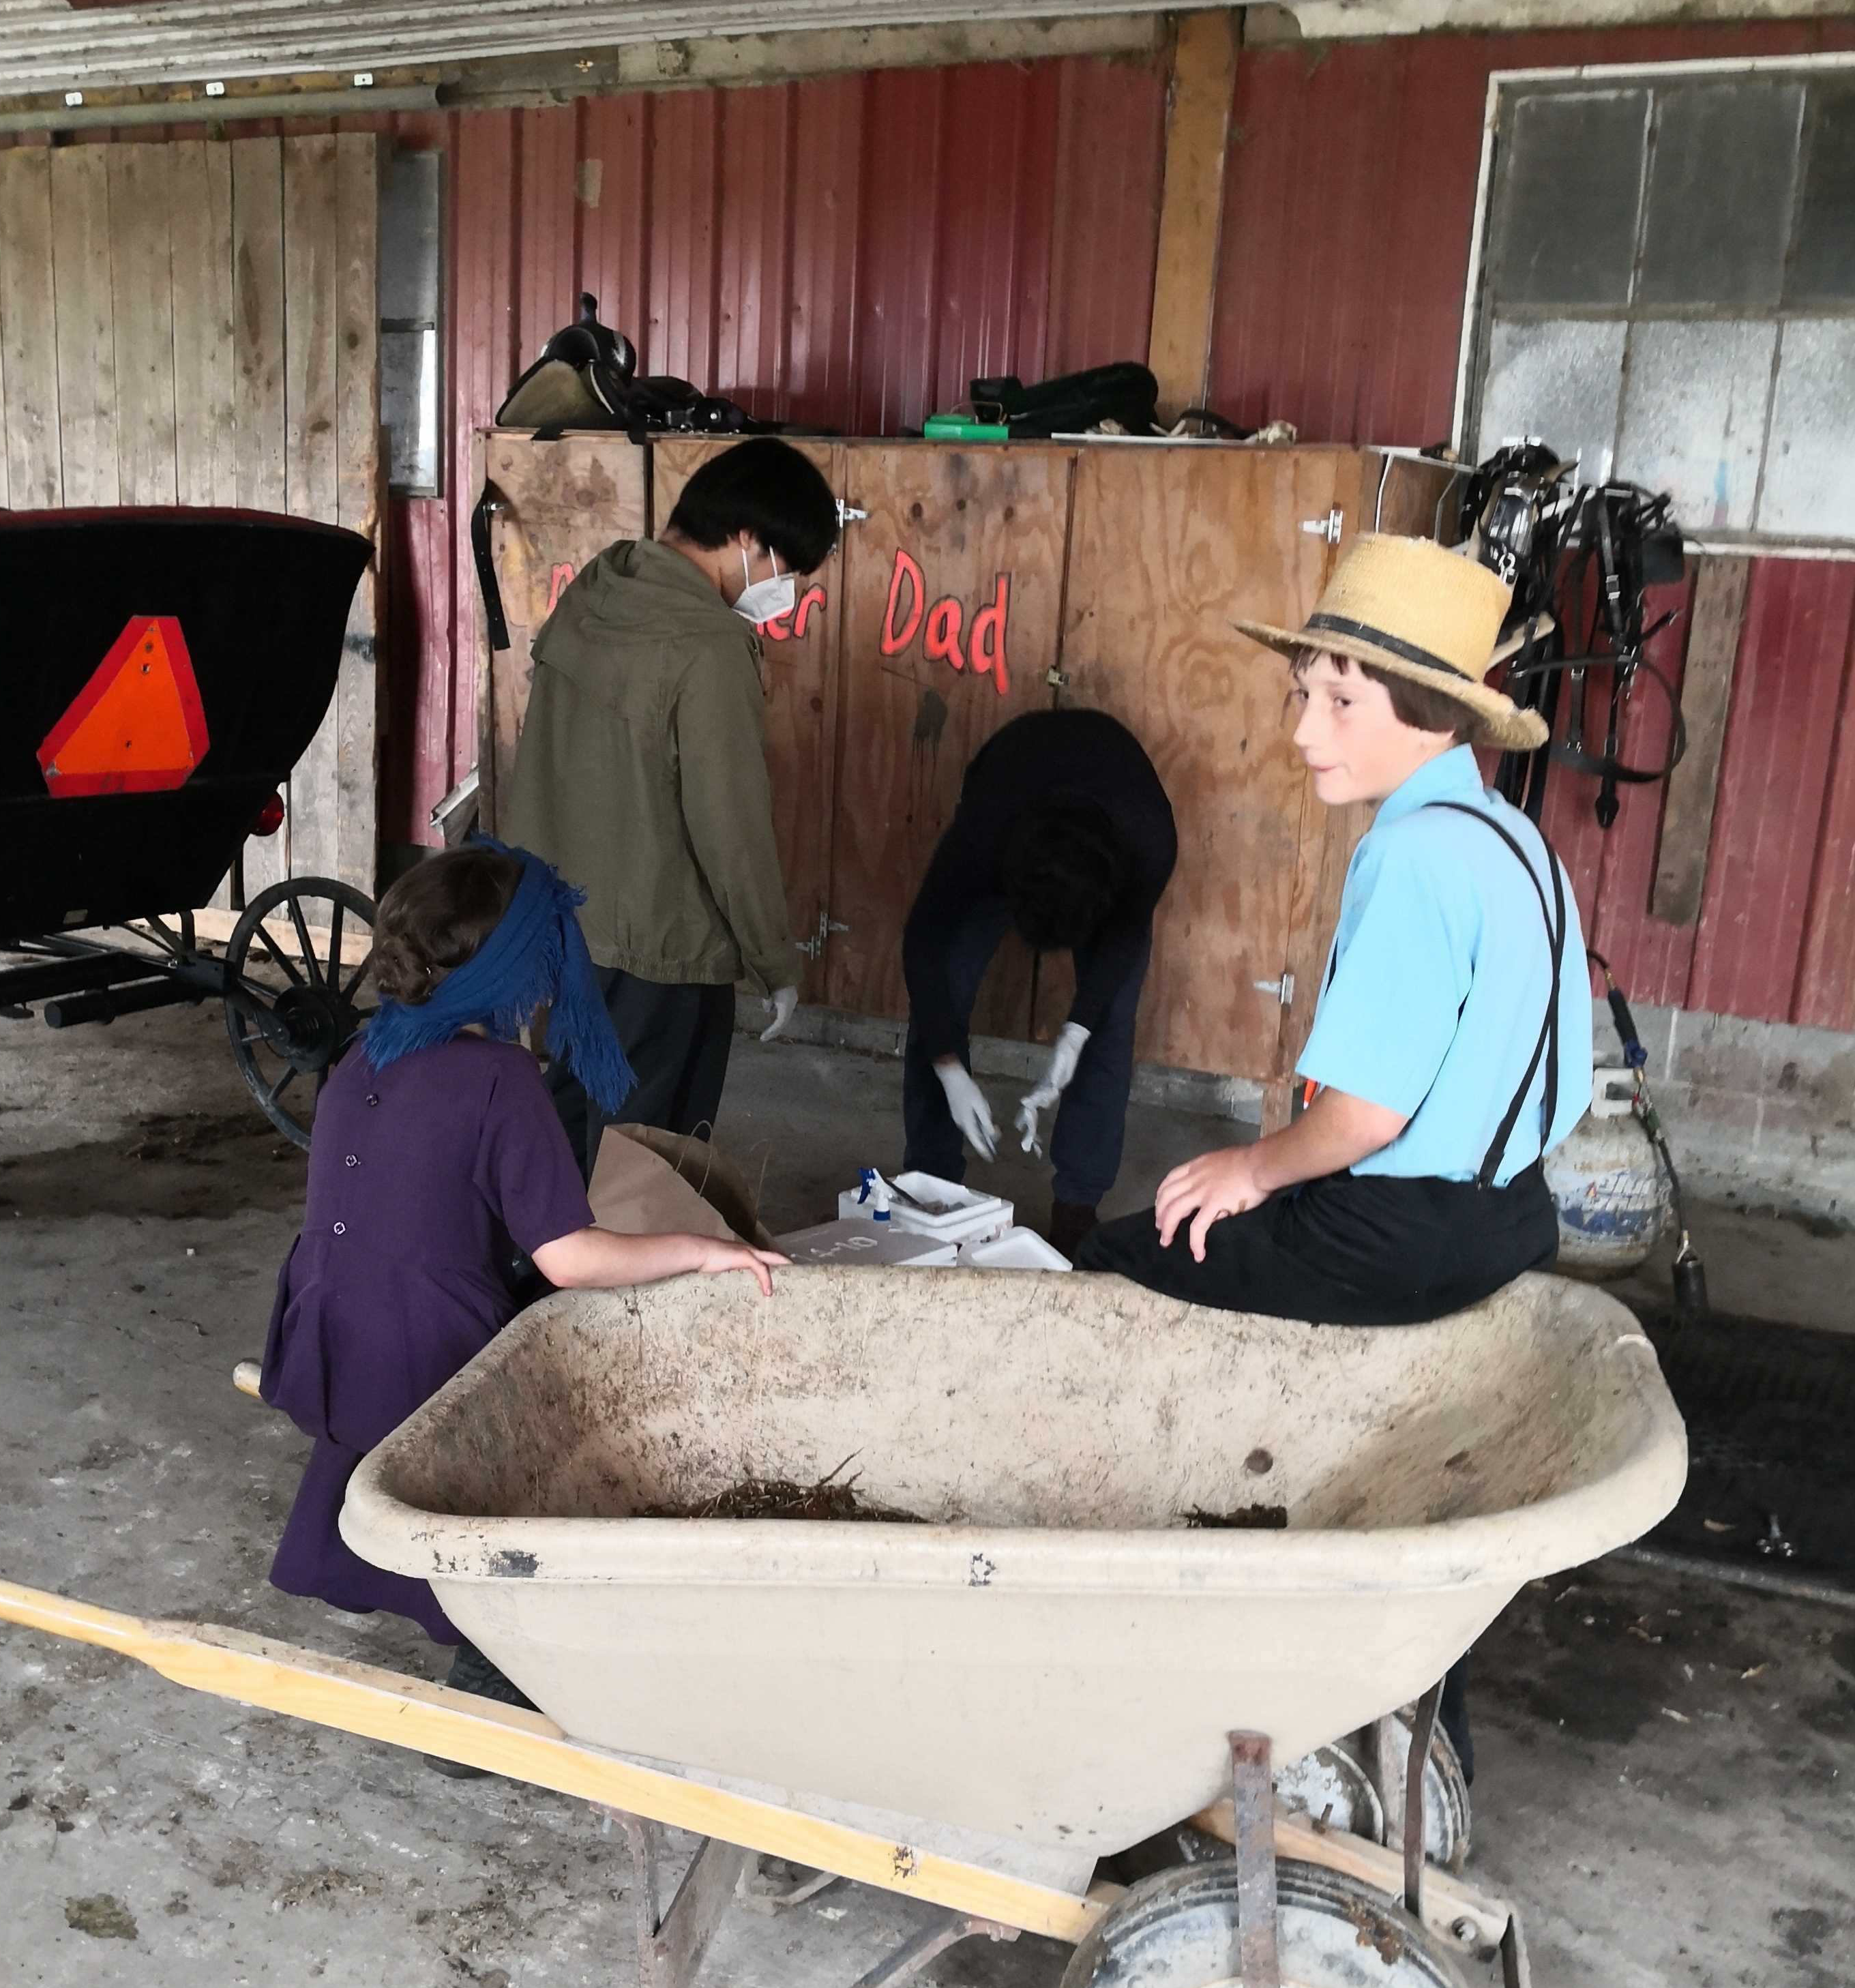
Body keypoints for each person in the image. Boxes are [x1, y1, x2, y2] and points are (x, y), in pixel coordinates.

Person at [1078, 533, 1592, 1785]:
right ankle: (1409, 1701)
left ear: (1427, 714)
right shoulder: (1507, 837)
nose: (1305, 728)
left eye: (1340, 700)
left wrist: (1256, 1166)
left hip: (1400, 1229)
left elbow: (1362, 1114)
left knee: (1118, 1252)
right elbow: (1562, 1082)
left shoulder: (1410, 856)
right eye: (1303, 691)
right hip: (1511, 1212)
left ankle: (1138, 1639)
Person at [263, 843, 784, 1708]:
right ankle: (494, 1646)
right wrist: (702, 1249)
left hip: (326, 1327)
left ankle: (366, 1548)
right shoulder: (501, 1077)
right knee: (568, 1400)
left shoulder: (362, 1053)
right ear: (515, 969)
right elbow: (571, 1258)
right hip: (418, 1348)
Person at [501, 436, 841, 1174]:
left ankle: (535, 1277)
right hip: (663, 949)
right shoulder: (708, 645)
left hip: (564, 925)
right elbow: (733, 829)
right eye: (791, 569)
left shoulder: (597, 589)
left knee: (567, 1114)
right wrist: (772, 960)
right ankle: (628, 1291)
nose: (791, 592)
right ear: (748, 539)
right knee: (649, 1159)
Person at [901, 709, 1178, 1258]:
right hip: (1013, 790)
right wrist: (949, 1070)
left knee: (1110, 1019)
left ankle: (1078, 1205)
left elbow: (1120, 946)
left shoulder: (1150, 842)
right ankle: (932, 1187)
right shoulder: (983, 834)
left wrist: (1076, 1032)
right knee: (943, 993)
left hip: (1114, 824)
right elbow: (923, 943)